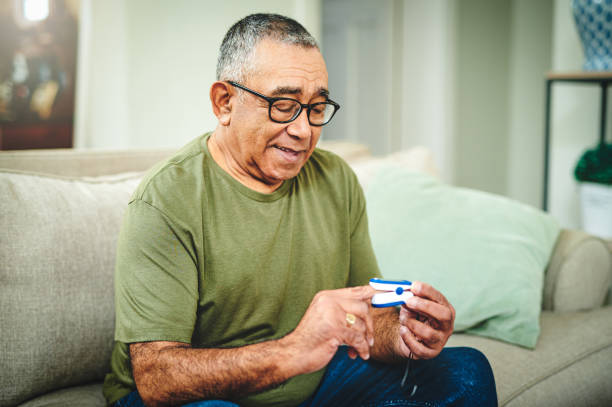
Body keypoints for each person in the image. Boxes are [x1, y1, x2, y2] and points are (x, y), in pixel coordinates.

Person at [103, 13, 497, 407]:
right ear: (225, 102)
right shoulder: (166, 198)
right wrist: (292, 351)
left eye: (316, 107)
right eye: (284, 104)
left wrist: (404, 334)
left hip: (317, 383)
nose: (304, 129)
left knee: (465, 370)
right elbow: (157, 378)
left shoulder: (335, 179)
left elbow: (370, 317)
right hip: (207, 398)